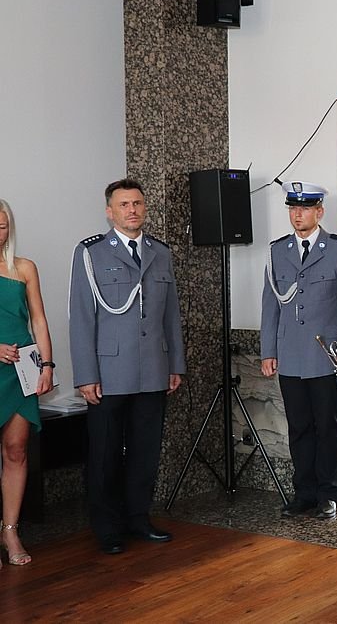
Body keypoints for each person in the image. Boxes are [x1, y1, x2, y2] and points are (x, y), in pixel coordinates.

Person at [69, 179, 185, 555]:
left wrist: (175, 364)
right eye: (123, 204)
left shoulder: (159, 253)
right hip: (109, 372)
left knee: (145, 451)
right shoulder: (91, 253)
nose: (131, 209)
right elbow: (82, 319)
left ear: (144, 208)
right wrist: (86, 375)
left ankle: (138, 518)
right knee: (104, 453)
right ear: (110, 211)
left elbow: (171, 316)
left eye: (137, 203)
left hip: (152, 368)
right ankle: (107, 526)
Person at [261, 181, 337, 521]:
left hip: (326, 356)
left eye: (304, 208)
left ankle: (328, 493)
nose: (297, 214)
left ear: (319, 212)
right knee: (299, 427)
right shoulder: (278, 251)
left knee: (328, 427)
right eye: (293, 208)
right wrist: (267, 350)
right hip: (290, 353)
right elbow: (271, 305)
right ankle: (303, 492)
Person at [0, 199, 54, 568]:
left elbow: (38, 319)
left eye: (3, 225)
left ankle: (10, 529)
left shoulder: (23, 268)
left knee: (17, 449)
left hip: (22, 370)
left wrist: (47, 366)